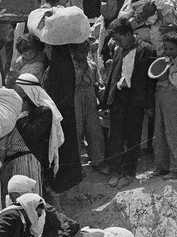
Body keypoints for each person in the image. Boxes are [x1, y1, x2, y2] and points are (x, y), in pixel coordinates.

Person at [103, 18, 156, 188]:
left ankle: (128, 172)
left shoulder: (147, 50)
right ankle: (115, 170)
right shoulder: (118, 50)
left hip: (136, 100)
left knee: (133, 137)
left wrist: (148, 105)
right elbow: (114, 75)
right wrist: (108, 99)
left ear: (129, 34)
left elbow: (150, 82)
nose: (117, 43)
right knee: (116, 136)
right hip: (119, 97)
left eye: (119, 39)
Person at [41, 42, 84, 196]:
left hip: (62, 115)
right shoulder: (54, 66)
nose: (46, 50)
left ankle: (64, 182)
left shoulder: (63, 67)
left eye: (49, 48)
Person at [151, 31, 177, 179]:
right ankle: (161, 166)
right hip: (160, 97)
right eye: (165, 48)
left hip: (173, 99)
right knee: (158, 132)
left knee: (173, 133)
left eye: (171, 49)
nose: (167, 52)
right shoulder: (163, 60)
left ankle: (176, 169)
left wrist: (169, 69)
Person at [72, 41, 107, 174]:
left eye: (85, 52)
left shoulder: (92, 66)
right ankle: (76, 167)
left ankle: (98, 162)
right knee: (76, 133)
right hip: (75, 101)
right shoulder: (69, 66)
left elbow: (97, 84)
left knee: (94, 132)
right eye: (81, 52)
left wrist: (102, 97)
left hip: (91, 102)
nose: (84, 55)